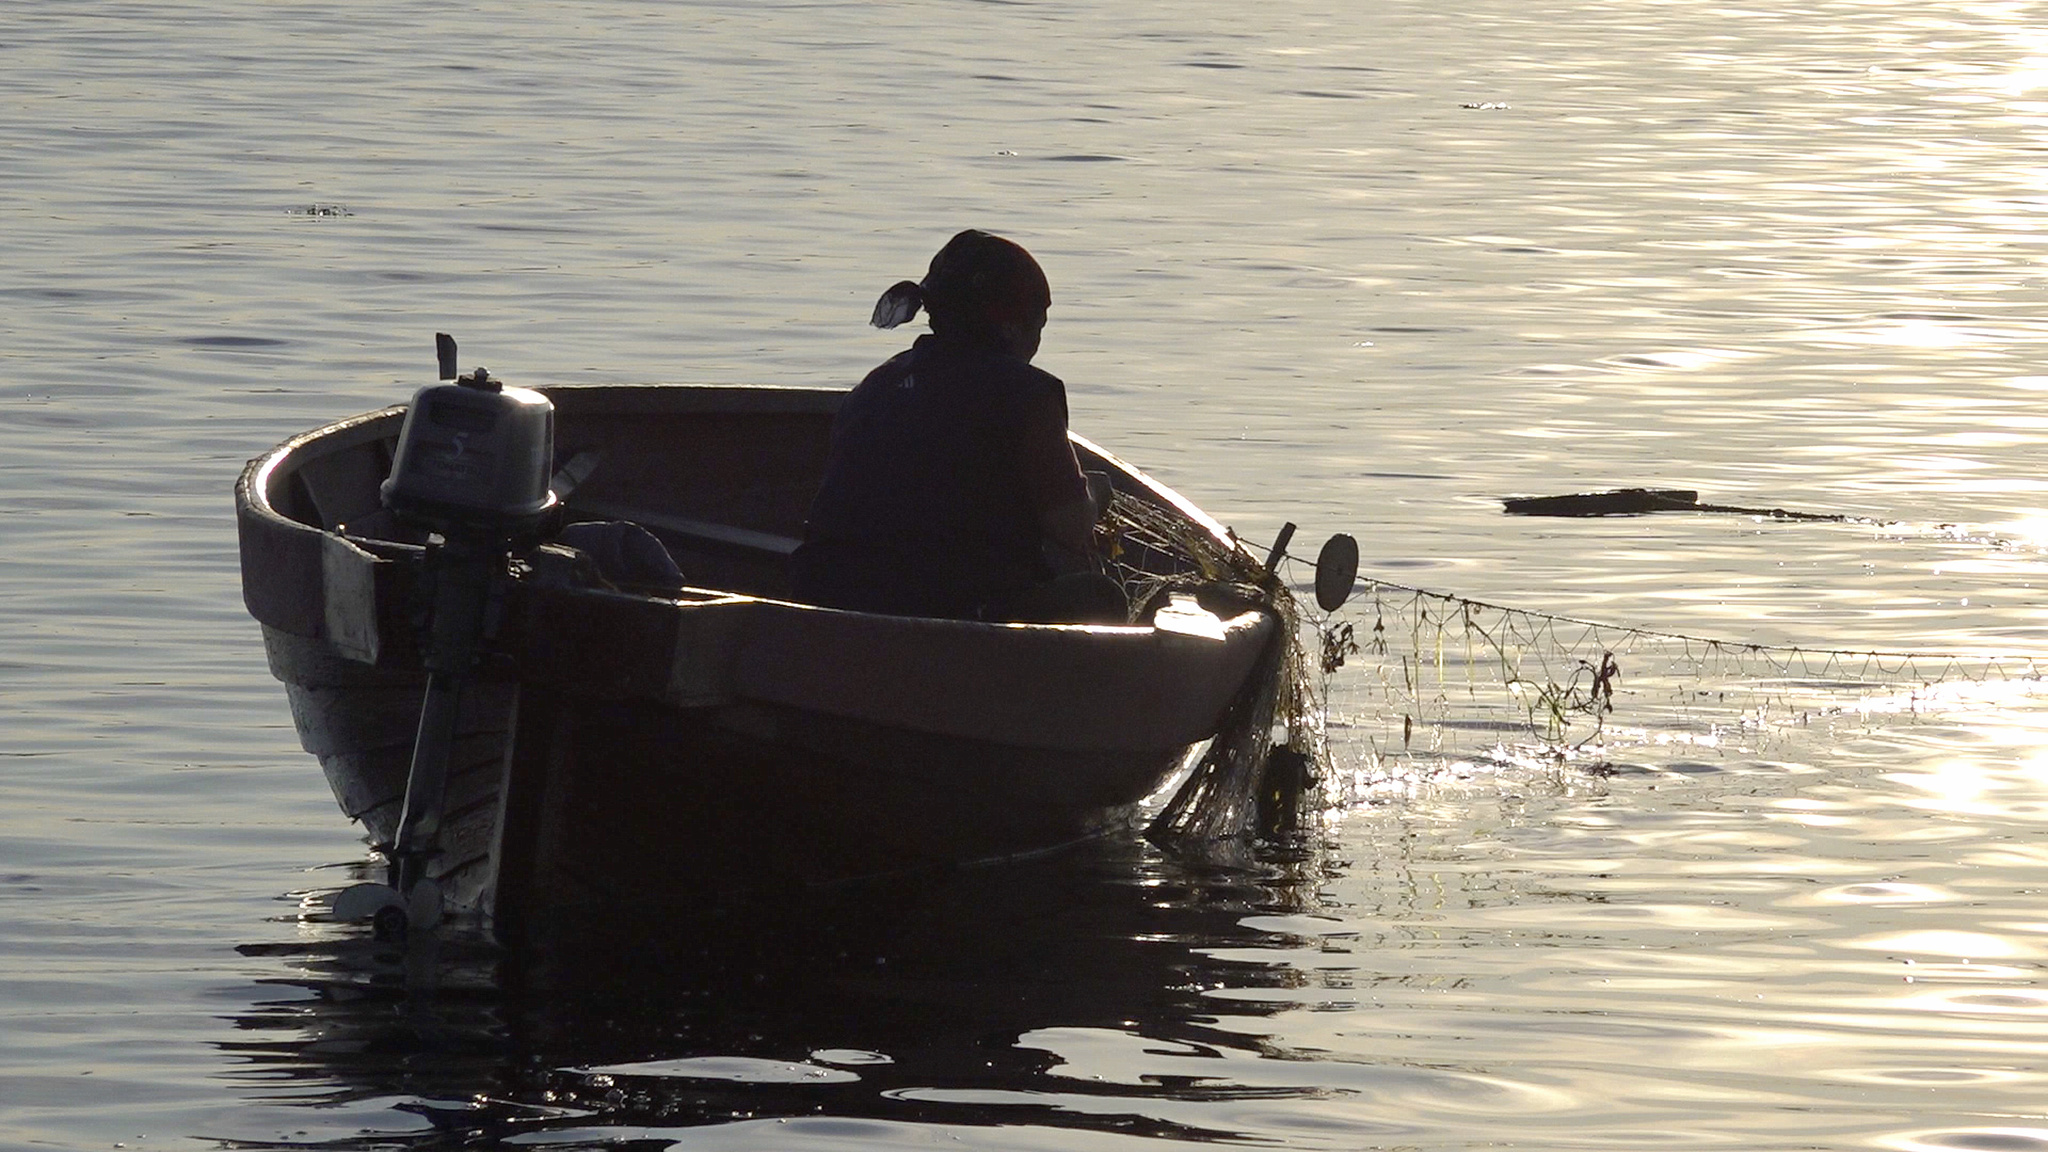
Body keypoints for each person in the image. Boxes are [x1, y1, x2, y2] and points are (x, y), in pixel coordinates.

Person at [791, 229, 1126, 623]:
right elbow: (1070, 526)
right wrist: (1096, 494)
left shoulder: (875, 385)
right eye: (1039, 324)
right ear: (1012, 325)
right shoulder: (1028, 395)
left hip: (828, 603)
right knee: (1101, 597)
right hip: (949, 612)